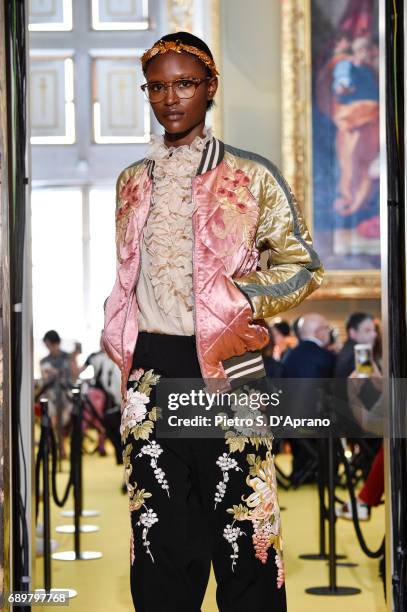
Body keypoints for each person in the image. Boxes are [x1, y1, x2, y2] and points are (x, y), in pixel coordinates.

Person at [102, 31, 323, 612]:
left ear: (210, 89)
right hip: (151, 376)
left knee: (242, 535)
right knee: (158, 539)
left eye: (184, 84)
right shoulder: (130, 182)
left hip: (230, 372)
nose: (170, 98)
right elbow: (129, 274)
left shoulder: (251, 177)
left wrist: (238, 300)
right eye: (157, 87)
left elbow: (302, 266)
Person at [39, 330, 74, 459]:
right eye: (47, 346)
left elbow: (71, 378)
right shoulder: (44, 361)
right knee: (52, 415)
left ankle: (60, 446)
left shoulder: (67, 358)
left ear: (56, 343)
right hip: (52, 397)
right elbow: (45, 382)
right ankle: (58, 447)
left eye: (50, 345)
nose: (50, 348)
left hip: (66, 396)